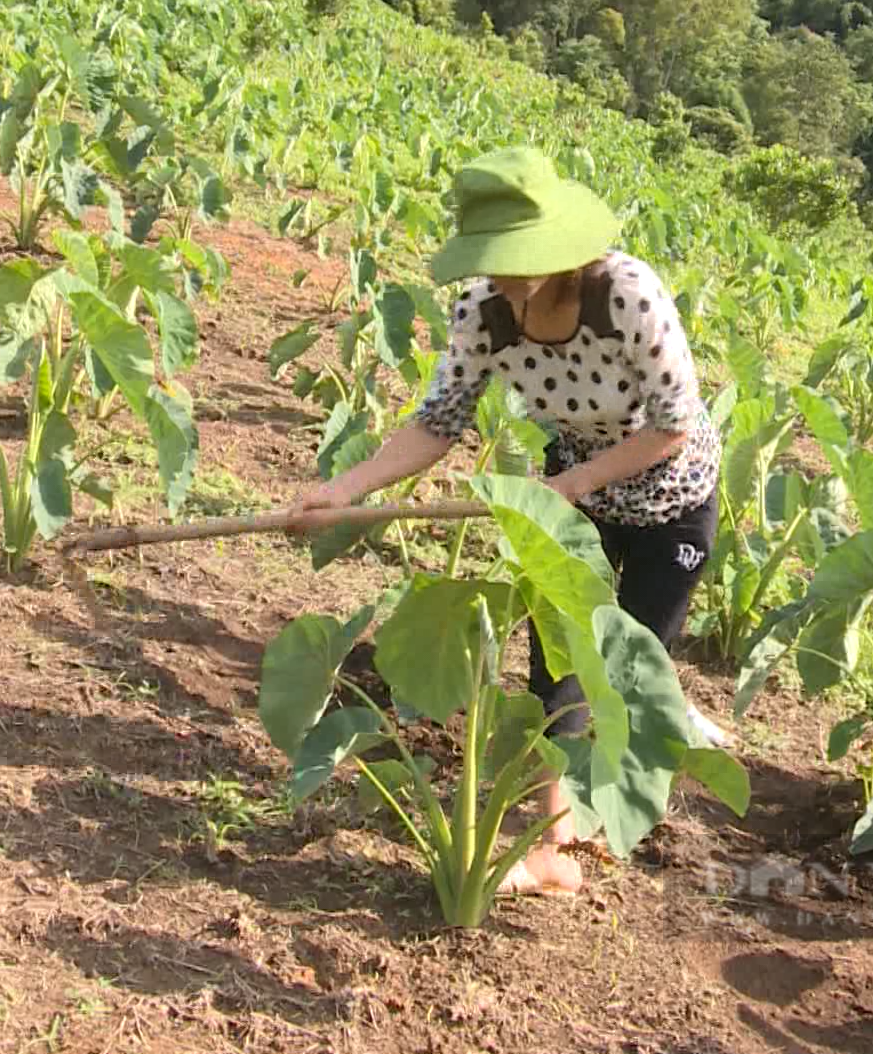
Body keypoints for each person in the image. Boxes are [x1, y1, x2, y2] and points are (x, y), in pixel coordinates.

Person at [286, 146, 725, 897]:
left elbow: (673, 424)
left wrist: (579, 479)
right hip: (573, 497)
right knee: (558, 663)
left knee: (624, 663)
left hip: (668, 500)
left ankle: (586, 818)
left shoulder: (627, 294)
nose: (514, 277)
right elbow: (437, 423)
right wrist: (346, 487)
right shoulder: (482, 315)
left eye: (525, 257)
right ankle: (554, 846)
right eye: (498, 260)